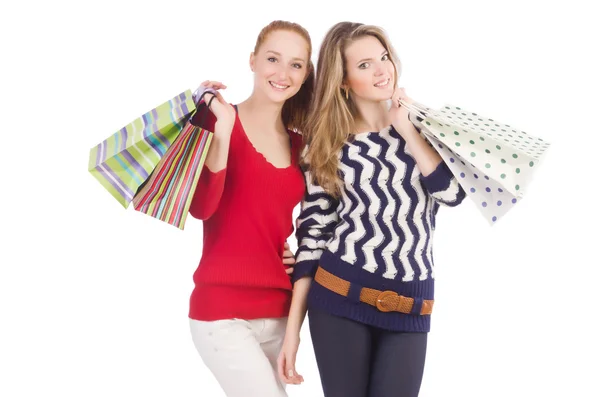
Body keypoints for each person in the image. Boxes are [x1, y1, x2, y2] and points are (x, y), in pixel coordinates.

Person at [278, 21, 465, 397]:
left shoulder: (426, 128)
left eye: (383, 57)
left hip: (412, 304)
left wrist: (408, 130)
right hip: (338, 298)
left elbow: (452, 195)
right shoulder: (326, 146)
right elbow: (312, 240)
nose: (382, 69)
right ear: (343, 81)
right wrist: (292, 333)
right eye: (364, 65)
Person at [186, 20, 314, 397]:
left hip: (278, 309)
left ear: (306, 75)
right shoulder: (218, 119)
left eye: (296, 64)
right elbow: (202, 208)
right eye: (273, 59)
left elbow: (293, 221)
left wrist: (291, 254)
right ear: (253, 61)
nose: (282, 73)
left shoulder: (298, 145)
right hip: (222, 312)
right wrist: (223, 130)